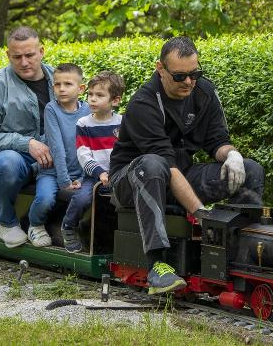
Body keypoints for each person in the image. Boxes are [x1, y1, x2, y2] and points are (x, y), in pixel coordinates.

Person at [109, 36, 264, 295]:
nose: (189, 82)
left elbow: (218, 142)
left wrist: (232, 155)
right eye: (180, 77)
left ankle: (240, 255)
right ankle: (157, 265)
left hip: (181, 173)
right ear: (161, 69)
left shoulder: (204, 92)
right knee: (153, 164)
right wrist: (203, 215)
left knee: (251, 169)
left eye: (195, 74)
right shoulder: (143, 104)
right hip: (133, 180)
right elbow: (166, 166)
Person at [0, 26, 55, 248]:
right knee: (6, 162)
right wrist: (26, 143)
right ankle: (7, 222)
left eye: (30, 55)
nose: (24, 62)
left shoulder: (60, 80)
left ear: (42, 51)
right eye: (17, 57)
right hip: (16, 159)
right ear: (8, 55)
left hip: (55, 157)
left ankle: (43, 225)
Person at [61, 71, 124, 253]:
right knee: (82, 199)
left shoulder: (122, 123)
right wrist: (100, 173)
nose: (92, 99)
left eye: (99, 95)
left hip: (116, 174)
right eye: (90, 94)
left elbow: (126, 151)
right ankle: (68, 226)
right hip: (93, 175)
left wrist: (116, 171)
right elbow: (84, 155)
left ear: (115, 100)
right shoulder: (84, 124)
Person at [29, 63, 90, 247]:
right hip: (52, 171)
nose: (62, 89)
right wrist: (64, 181)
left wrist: (81, 177)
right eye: (57, 84)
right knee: (45, 199)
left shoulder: (87, 110)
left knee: (85, 199)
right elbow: (57, 147)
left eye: (68, 84)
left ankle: (69, 231)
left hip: (77, 173)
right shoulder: (51, 109)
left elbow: (88, 148)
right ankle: (35, 224)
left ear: (81, 88)